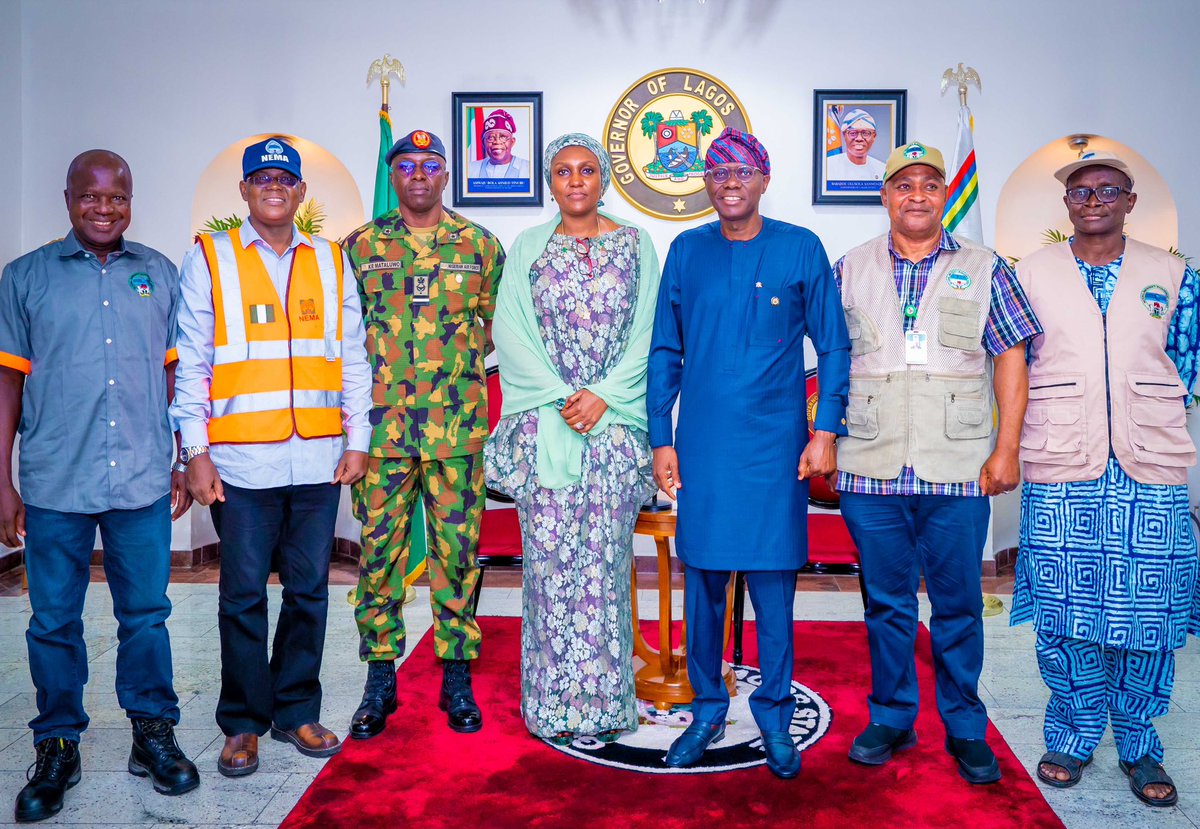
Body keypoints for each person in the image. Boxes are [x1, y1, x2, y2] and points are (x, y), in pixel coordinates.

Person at [0, 150, 200, 822]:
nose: (105, 209)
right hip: (55, 479)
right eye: (92, 197)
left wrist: (180, 457)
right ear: (68, 198)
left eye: (118, 198)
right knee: (53, 621)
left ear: (131, 200)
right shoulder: (25, 278)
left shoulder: (158, 274)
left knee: (145, 616)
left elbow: (177, 377)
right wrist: (2, 479)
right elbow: (8, 383)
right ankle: (58, 742)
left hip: (142, 476)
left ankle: (152, 732)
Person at [834, 141, 1040, 785]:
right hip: (869, 465)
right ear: (885, 195)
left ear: (944, 193)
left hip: (958, 466)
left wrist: (1006, 447)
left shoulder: (985, 267)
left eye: (929, 183)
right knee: (887, 603)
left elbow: (1010, 355)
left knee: (957, 604)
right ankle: (892, 716)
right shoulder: (848, 267)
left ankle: (965, 727)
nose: (916, 194)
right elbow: (821, 358)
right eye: (904, 185)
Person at [647, 127, 850, 779]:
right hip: (703, 446)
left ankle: (772, 710)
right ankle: (707, 708)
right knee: (702, 581)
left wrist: (825, 431)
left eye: (742, 170)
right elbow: (664, 351)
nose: (729, 180)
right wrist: (659, 435)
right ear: (706, 184)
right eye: (717, 171)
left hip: (775, 451)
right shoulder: (686, 250)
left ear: (764, 178)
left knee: (772, 585)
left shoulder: (800, 248)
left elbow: (836, 346)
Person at [171, 137, 372, 776]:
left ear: (301, 192)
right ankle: (242, 722)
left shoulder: (333, 260)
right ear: (245, 192)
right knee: (241, 596)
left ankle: (295, 710)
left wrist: (359, 439)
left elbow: (354, 358)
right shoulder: (211, 256)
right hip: (241, 465)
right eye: (261, 178)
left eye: (285, 178)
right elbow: (191, 358)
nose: (274, 187)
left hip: (316, 460)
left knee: (310, 591)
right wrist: (195, 450)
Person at [1012, 151, 1200, 807]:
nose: (1093, 200)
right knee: (1066, 609)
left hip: (1147, 465)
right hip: (1063, 458)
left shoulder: (1174, 273)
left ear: (1129, 200)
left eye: (1107, 190)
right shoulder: (1028, 274)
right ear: (1066, 204)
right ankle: (1072, 730)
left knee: (1147, 610)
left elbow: (1188, 366)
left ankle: (1140, 742)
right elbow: (1012, 365)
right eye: (1081, 191)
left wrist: (1141, 410)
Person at [486, 133, 660, 744]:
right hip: (545, 427)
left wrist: (605, 394)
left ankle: (607, 704)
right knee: (549, 566)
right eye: (564, 171)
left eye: (588, 170)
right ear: (550, 182)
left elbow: (650, 330)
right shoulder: (528, 247)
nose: (576, 180)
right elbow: (509, 333)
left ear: (604, 178)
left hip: (612, 431)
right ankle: (552, 706)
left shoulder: (637, 245)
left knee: (605, 568)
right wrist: (563, 396)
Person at [341, 129, 504, 738]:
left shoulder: (481, 246)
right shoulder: (358, 248)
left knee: (456, 557)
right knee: (378, 556)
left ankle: (455, 675)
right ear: (395, 174)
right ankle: (379, 678)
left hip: (456, 432)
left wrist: (444, 371)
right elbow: (343, 337)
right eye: (405, 164)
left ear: (444, 174)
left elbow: (494, 330)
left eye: (429, 164)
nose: (417, 174)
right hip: (381, 434)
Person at [468, 109, 531, 180]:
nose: (497, 141)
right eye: (491, 137)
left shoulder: (529, 169)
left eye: (503, 137)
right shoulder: (470, 170)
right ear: (483, 143)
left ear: (512, 142)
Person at [826, 109, 886, 182]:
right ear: (844, 135)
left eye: (866, 133)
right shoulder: (828, 167)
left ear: (874, 137)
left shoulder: (883, 170)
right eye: (853, 133)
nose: (859, 138)